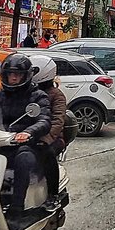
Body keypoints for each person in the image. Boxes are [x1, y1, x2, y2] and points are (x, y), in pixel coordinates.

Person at [0, 54, 51, 230]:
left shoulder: (38, 96)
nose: (14, 78)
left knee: (23, 159)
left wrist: (28, 132)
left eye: (17, 74)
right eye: (10, 74)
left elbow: (44, 119)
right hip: (2, 141)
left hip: (26, 144)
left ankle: (17, 208)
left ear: (26, 76)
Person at [31, 55, 67, 212]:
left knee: (47, 155)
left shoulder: (56, 95)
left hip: (52, 138)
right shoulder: (28, 92)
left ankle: (53, 195)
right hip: (29, 136)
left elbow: (58, 121)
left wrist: (46, 139)